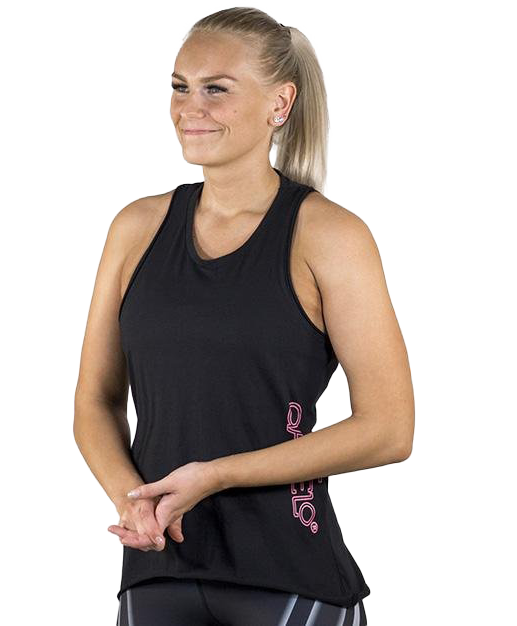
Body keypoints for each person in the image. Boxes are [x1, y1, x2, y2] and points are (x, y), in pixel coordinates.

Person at [73, 6, 415, 625]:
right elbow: (94, 401)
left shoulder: (329, 237)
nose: (189, 108)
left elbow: (388, 429)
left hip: (289, 575)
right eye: (181, 87)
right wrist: (134, 499)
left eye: (216, 90)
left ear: (279, 103)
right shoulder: (135, 228)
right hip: (159, 571)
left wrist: (216, 476)